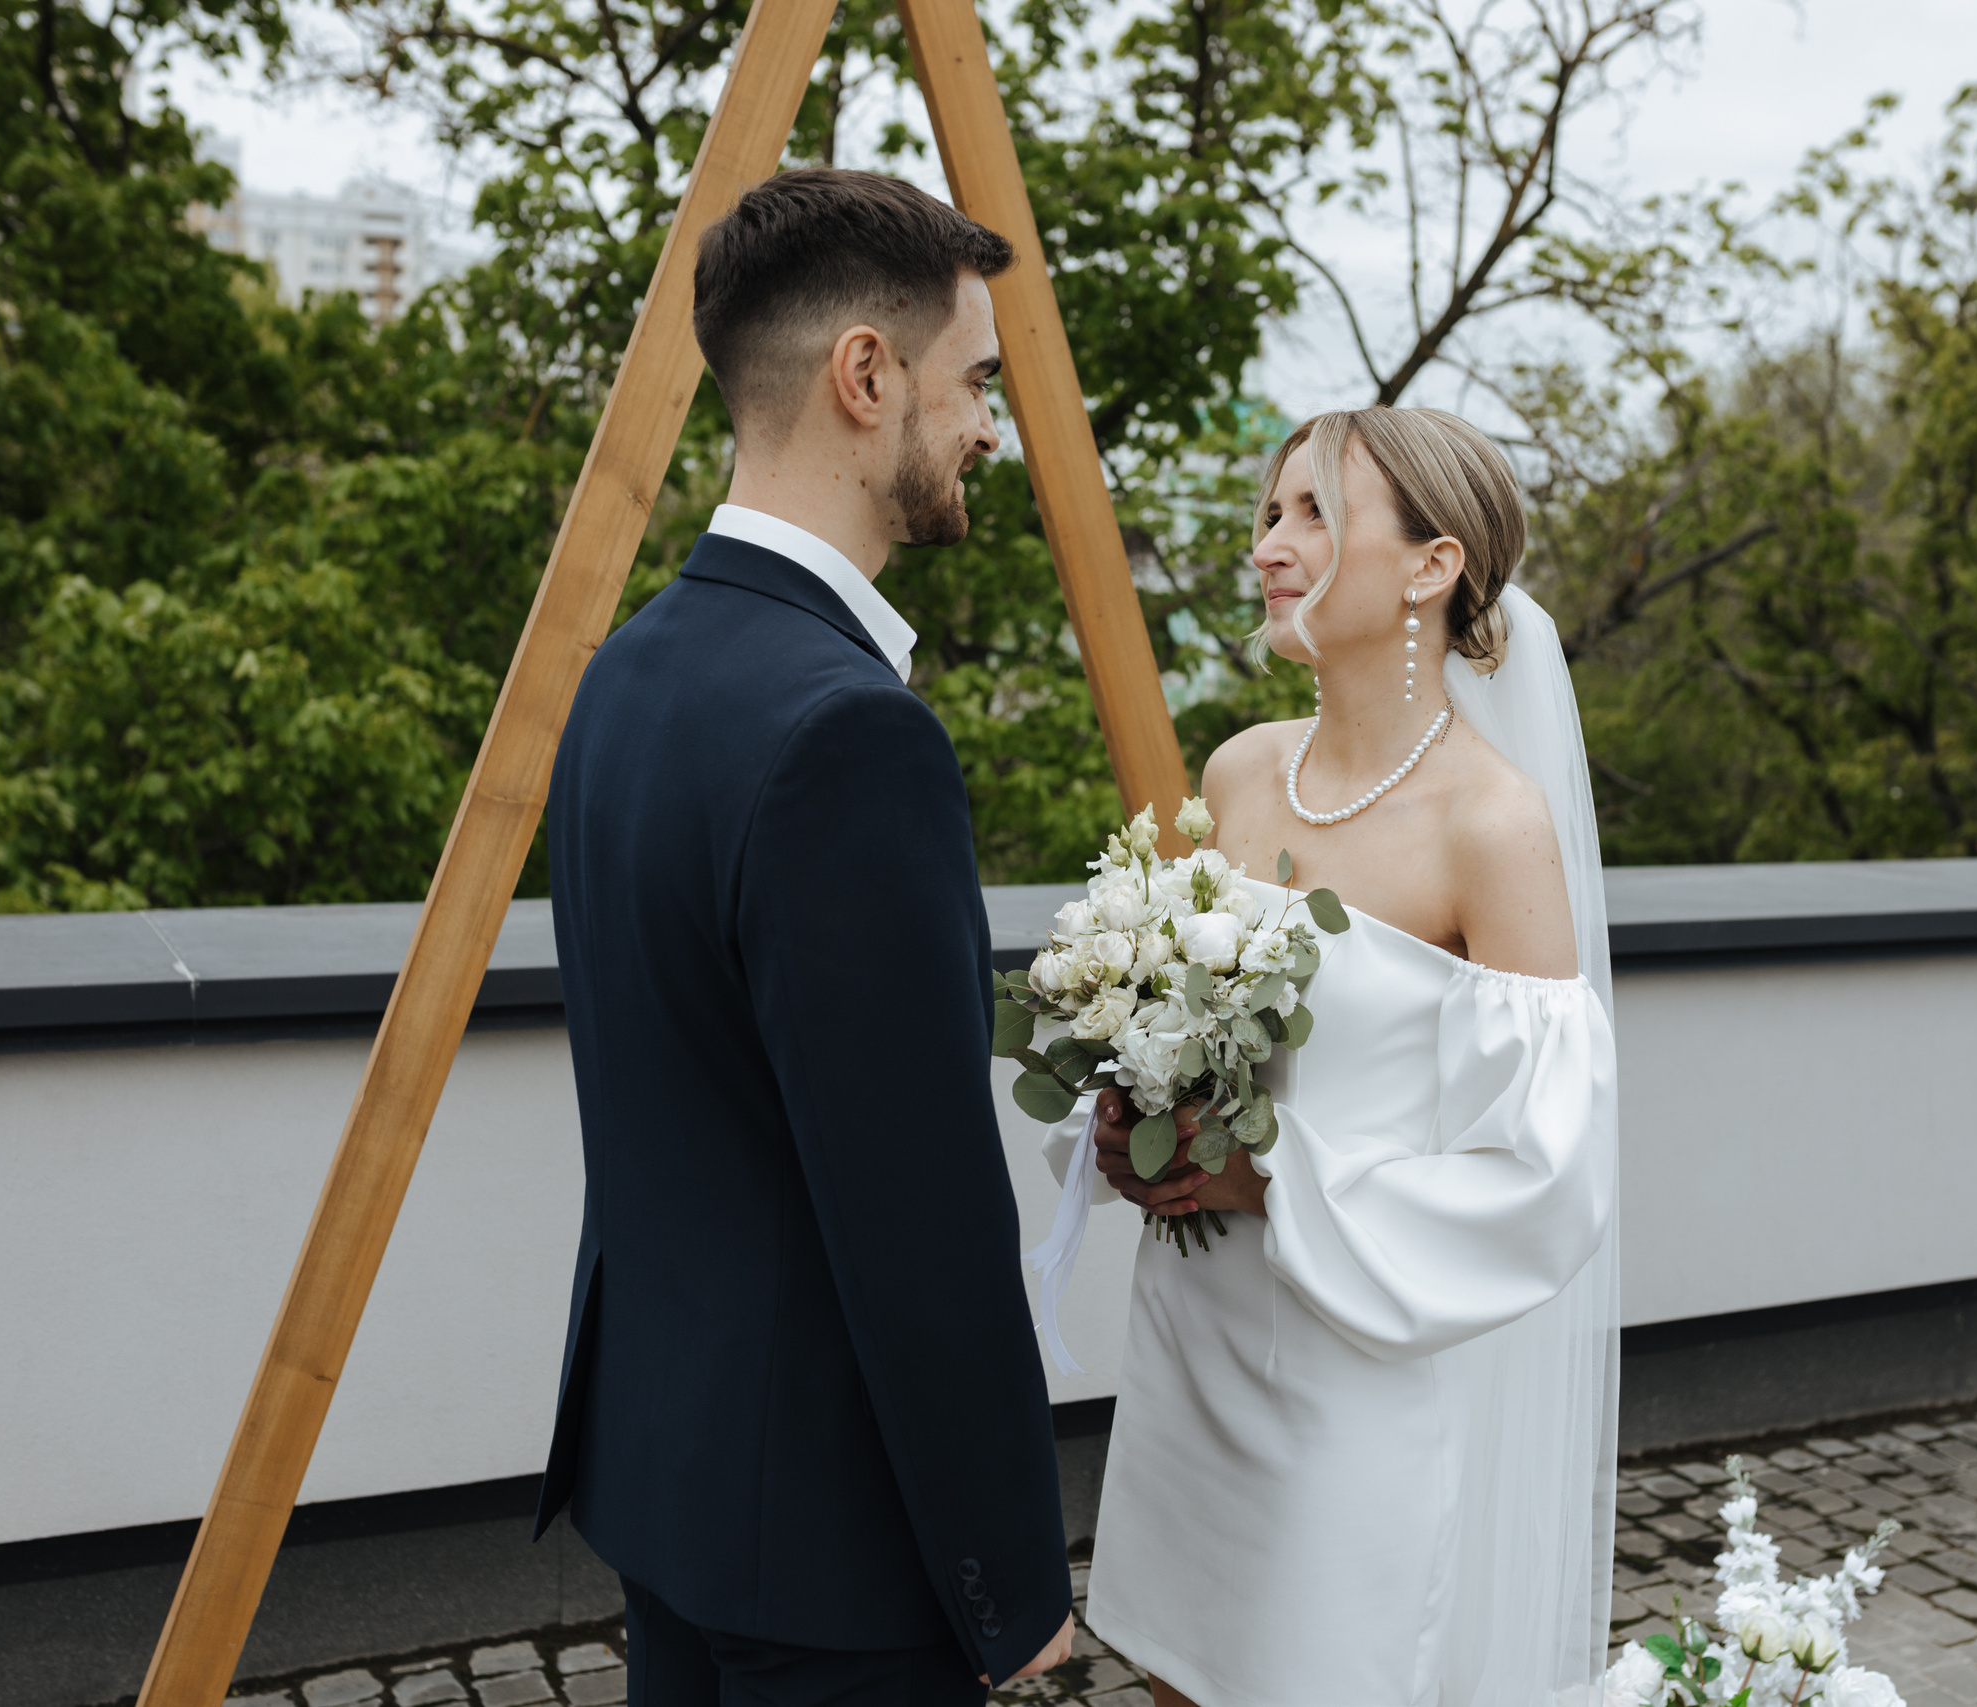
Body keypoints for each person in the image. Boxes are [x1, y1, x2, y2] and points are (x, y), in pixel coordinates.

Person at [537, 168, 1077, 1706]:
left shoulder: (631, 671)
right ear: (864, 375)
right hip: (834, 1558)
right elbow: (914, 1207)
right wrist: (1008, 1570)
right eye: (976, 380)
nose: (989, 426)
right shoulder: (850, 734)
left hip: (673, 1486)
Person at [1054, 407, 1622, 1707]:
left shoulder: (1493, 826)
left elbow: (1546, 1170)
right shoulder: (1242, 773)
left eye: (1316, 512)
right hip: (1190, 1339)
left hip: (1347, 1367)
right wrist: (1127, 1109)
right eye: (1270, 514)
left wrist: (1268, 1181)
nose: (1271, 544)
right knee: (1177, 1672)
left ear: (1433, 566)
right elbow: (1177, 1019)